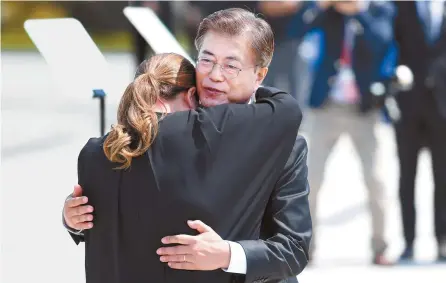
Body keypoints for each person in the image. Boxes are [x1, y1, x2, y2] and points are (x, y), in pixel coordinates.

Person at [64, 8, 312, 283]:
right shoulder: (156, 133)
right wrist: (77, 216)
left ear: (259, 75)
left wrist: (228, 254)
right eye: (206, 60)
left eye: (231, 65)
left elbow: (294, 249)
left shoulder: (283, 144)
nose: (215, 75)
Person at [287, 0, 395, 265]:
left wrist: (359, 13)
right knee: (310, 178)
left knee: (377, 179)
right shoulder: (327, 11)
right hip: (326, 106)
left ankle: (380, 247)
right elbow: (295, 30)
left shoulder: (379, 10)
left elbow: (382, 43)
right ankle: (305, 247)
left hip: (363, 108)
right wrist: (322, 6)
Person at [392, 0, 446, 262]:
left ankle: (443, 241)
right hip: (408, 105)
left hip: (443, 106)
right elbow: (390, 43)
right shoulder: (400, 5)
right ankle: (408, 241)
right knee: (406, 177)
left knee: (444, 178)